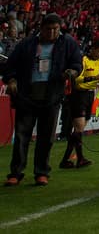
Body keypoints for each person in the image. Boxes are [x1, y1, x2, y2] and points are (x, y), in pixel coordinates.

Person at [2, 13, 83, 186]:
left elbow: (77, 63)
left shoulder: (67, 43)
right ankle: (16, 172)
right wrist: (11, 79)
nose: (52, 33)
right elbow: (10, 66)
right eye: (49, 29)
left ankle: (42, 172)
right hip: (27, 94)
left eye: (56, 29)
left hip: (52, 95)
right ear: (41, 28)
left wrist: (72, 72)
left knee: (46, 137)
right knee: (22, 137)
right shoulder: (27, 44)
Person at [61, 37, 99, 169]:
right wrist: (94, 77)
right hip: (78, 95)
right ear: (92, 49)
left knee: (78, 130)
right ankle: (80, 158)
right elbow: (77, 79)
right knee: (79, 128)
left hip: (90, 95)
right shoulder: (83, 60)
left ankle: (66, 160)